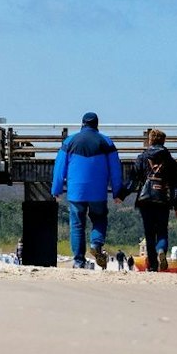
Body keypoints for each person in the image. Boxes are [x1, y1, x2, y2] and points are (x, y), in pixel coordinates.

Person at [51, 111, 122, 268]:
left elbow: (59, 167)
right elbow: (115, 169)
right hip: (98, 192)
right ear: (97, 124)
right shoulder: (107, 142)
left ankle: (78, 261)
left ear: (82, 124)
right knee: (99, 218)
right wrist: (118, 192)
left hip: (76, 191)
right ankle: (96, 244)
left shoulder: (70, 141)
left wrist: (56, 190)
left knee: (77, 225)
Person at [122, 127, 177, 273]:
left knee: (149, 233)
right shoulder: (170, 160)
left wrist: (121, 194)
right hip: (162, 200)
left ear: (150, 141)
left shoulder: (142, 158)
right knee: (162, 231)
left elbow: (133, 181)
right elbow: (176, 185)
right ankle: (161, 249)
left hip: (146, 200)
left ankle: (153, 265)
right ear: (163, 141)